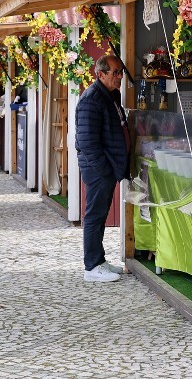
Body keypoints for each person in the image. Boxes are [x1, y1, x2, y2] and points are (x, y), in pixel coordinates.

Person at [75, 54, 130, 282]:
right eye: (115, 73)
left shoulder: (110, 95)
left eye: (121, 73)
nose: (120, 77)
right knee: (95, 216)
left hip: (106, 167)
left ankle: (99, 260)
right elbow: (87, 141)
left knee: (100, 215)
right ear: (101, 74)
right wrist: (105, 169)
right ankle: (92, 266)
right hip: (98, 169)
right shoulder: (91, 99)